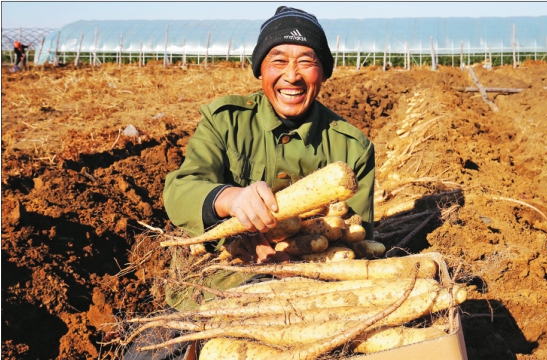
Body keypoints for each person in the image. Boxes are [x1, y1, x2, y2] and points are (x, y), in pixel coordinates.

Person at [124, 6, 375, 359]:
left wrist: (297, 263)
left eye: (306, 61)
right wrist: (229, 198)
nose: (292, 76)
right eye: (277, 61)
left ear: (323, 72)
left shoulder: (352, 147)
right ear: (260, 68)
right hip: (217, 287)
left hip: (316, 301)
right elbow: (181, 188)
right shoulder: (225, 122)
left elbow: (359, 238)